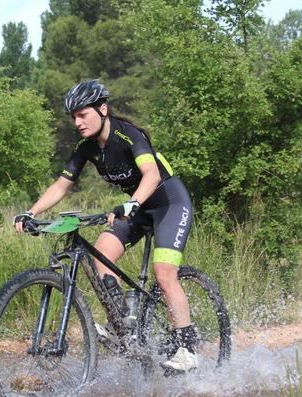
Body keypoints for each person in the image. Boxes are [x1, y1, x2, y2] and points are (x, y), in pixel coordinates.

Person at [13, 80, 198, 372]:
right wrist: (30, 211)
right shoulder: (86, 148)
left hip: (169, 203)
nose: (77, 122)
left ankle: (187, 347)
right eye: (73, 116)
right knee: (102, 257)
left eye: (82, 114)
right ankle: (124, 323)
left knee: (164, 273)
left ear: (103, 109)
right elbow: (62, 185)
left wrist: (132, 204)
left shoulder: (128, 135)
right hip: (137, 207)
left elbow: (150, 175)